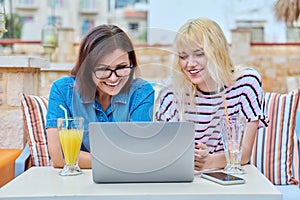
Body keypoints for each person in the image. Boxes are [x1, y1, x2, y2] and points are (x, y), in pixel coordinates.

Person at [155, 18, 269, 171]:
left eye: (199, 54)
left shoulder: (246, 83)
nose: (190, 64)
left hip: (229, 178)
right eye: (183, 56)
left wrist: (210, 161)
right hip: (188, 180)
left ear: (217, 52)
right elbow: (164, 155)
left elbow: (244, 154)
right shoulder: (171, 94)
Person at [46, 24, 155, 169]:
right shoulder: (63, 91)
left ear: (131, 63)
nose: (113, 78)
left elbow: (138, 154)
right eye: (103, 69)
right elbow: (58, 157)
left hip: (123, 182)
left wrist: (78, 159)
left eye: (122, 67)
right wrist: (121, 161)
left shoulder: (141, 92)